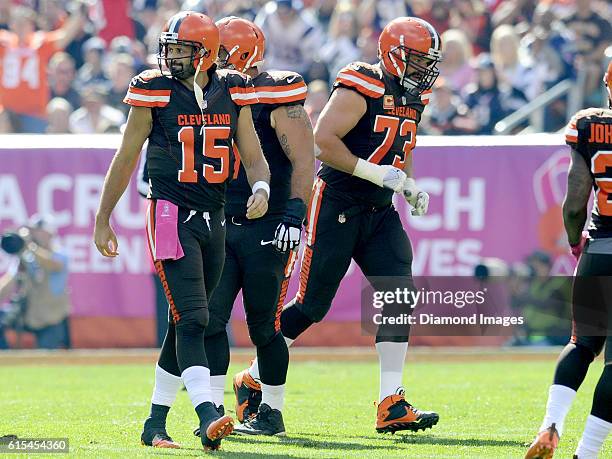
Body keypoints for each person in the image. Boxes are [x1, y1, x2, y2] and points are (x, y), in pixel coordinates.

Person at [236, 16, 441, 434]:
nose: (424, 70)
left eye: (428, 62)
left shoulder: (414, 96)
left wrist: (408, 183)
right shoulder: (361, 82)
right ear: (393, 54)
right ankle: (253, 377)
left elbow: (403, 145)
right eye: (417, 60)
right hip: (338, 202)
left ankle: (391, 401)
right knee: (312, 305)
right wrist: (374, 172)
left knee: (399, 292)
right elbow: (324, 143)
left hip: (379, 208)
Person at [93, 11, 270, 451]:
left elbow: (251, 148)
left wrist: (262, 184)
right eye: (168, 48)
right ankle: (208, 412)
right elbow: (127, 154)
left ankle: (154, 424)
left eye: (181, 50)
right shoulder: (155, 88)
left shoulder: (232, 88)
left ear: (206, 54)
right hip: (170, 214)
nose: (171, 57)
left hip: (215, 217)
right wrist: (103, 217)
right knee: (194, 318)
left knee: (185, 323)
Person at [200, 16, 314, 436]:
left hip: (268, 225)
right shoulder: (198, 94)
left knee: (264, 325)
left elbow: (305, 158)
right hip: (220, 223)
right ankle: (211, 411)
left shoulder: (276, 91)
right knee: (212, 319)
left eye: (209, 49)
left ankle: (272, 412)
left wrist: (294, 212)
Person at [525, 61, 612, 459]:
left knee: (581, 344)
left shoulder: (591, 125)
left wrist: (577, 243)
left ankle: (551, 424)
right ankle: (587, 453)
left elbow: (576, 197)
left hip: (600, 250)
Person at [0, 4, 85, 132]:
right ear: (11, 25)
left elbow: (64, 36)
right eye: (17, 23)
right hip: (7, 111)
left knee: (32, 150)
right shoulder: (4, 42)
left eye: (24, 23)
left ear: (32, 25)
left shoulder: (40, 43)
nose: (21, 27)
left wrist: (79, 14)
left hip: (34, 113)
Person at [0, 215, 71, 350]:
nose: (36, 235)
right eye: (34, 232)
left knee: (46, 357)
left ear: (50, 234)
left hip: (52, 316)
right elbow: (9, 283)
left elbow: (52, 263)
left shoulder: (61, 254)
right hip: (29, 312)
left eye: (39, 232)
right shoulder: (26, 256)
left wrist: (29, 246)